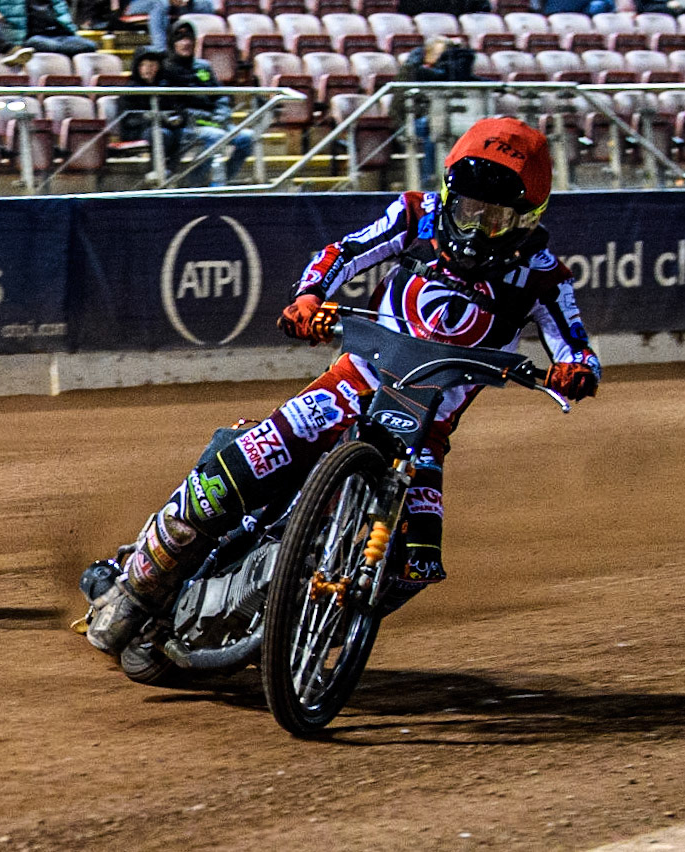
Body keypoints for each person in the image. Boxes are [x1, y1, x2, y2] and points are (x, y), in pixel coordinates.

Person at [80, 117, 602, 656]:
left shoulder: (545, 275)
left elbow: (577, 345)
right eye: (469, 208)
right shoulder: (416, 215)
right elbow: (345, 252)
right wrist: (309, 297)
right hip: (350, 386)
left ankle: (317, 627)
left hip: (425, 433)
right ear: (449, 194)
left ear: (528, 219)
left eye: (494, 218)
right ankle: (133, 587)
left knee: (417, 562)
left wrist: (576, 369)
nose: (474, 227)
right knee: (231, 472)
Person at [159, 22, 253, 187]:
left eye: (189, 38)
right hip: (187, 125)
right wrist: (203, 118)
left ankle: (225, 180)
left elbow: (220, 96)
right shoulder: (166, 69)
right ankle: (198, 184)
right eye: (180, 39)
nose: (186, 43)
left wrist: (221, 114)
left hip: (214, 121)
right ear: (172, 42)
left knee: (247, 138)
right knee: (215, 136)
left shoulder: (204, 66)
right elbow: (171, 104)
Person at [401, 36, 482, 184]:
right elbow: (400, 104)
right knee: (431, 129)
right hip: (410, 118)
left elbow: (462, 76)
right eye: (439, 54)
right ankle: (430, 177)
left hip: (441, 117)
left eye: (445, 54)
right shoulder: (415, 69)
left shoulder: (445, 70)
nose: (442, 58)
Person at [0, 0, 100, 55]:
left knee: (90, 46)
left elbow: (63, 15)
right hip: (30, 36)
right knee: (51, 47)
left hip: (60, 34)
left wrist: (70, 30)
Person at [126, 0, 213, 52]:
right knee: (161, 3)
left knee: (205, 4)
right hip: (136, 4)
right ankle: (160, 48)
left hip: (173, 5)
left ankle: (196, 50)